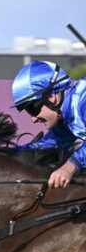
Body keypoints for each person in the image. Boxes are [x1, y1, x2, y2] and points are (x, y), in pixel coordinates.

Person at [10, 59, 86, 189]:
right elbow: (47, 144)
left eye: (32, 109)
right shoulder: (67, 117)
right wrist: (4, 152)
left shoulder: (83, 102)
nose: (33, 119)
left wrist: (69, 167)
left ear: (52, 97)